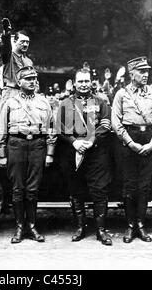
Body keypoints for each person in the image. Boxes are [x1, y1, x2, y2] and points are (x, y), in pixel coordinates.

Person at [0, 66, 56, 244]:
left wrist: (50, 153)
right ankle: (19, 227)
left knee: (32, 189)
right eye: (28, 79)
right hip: (16, 144)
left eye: (34, 78)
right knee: (17, 188)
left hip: (37, 145)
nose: (32, 81)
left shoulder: (44, 102)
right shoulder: (10, 102)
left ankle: (31, 225)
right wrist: (2, 154)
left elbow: (51, 128)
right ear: (20, 82)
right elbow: (1, 129)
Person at [57, 67, 113, 246]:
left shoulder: (101, 101)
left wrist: (91, 139)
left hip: (95, 151)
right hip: (73, 151)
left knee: (100, 190)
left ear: (92, 82)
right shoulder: (65, 103)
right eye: (80, 81)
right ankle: (80, 227)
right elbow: (60, 128)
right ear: (74, 83)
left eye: (86, 81)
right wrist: (74, 141)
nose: (83, 84)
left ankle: (101, 230)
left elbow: (105, 124)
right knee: (76, 189)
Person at [112, 56, 152, 243]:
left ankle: (141, 225)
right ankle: (130, 225)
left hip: (149, 140)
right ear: (131, 73)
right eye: (141, 71)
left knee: (144, 186)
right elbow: (116, 122)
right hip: (128, 142)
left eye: (147, 71)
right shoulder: (121, 94)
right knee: (129, 185)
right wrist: (131, 143)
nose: (145, 74)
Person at [0, 18, 33, 105]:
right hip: (11, 93)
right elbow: (5, 46)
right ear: (14, 41)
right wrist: (6, 34)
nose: (25, 44)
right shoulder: (9, 56)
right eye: (22, 42)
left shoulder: (29, 62)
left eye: (27, 42)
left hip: (26, 94)